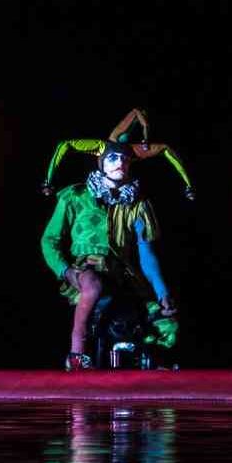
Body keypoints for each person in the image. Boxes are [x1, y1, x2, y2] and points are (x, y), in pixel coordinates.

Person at [39, 109, 192, 370]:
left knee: (166, 320)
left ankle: (149, 365)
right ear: (101, 162)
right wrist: (65, 271)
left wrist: (162, 292)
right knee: (94, 285)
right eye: (112, 158)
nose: (119, 163)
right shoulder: (74, 196)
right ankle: (76, 353)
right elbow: (49, 240)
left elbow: (146, 253)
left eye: (124, 159)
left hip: (123, 273)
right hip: (85, 268)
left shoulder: (139, 204)